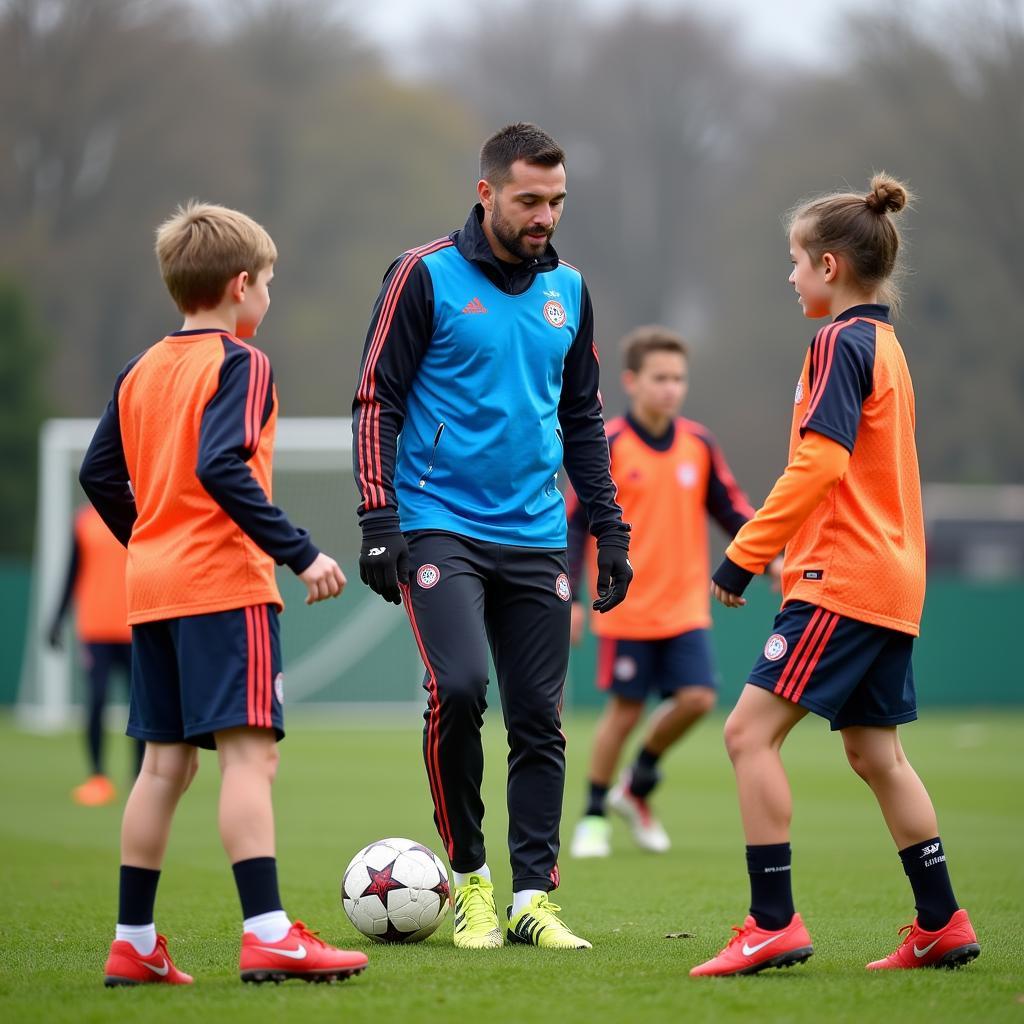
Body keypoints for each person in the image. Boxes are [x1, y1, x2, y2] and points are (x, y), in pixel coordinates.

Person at [690, 175, 979, 977]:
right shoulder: (886, 347)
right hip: (893, 581)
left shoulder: (837, 343)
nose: (788, 278)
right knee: (874, 754)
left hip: (840, 577)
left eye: (793, 262)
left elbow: (819, 462)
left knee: (747, 734)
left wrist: (747, 551)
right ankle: (941, 922)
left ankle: (771, 922)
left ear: (828, 266)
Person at [352, 123, 632, 950]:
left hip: (540, 533)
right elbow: (378, 400)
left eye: (556, 201)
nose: (546, 215)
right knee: (464, 690)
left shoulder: (571, 291)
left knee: (540, 717)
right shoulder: (423, 275)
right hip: (440, 526)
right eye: (529, 200)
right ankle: (471, 881)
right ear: (487, 193)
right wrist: (378, 520)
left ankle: (532, 899)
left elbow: (581, 414)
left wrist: (608, 526)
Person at [79, 200, 367, 987]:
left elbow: (99, 474)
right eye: (269, 283)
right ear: (242, 286)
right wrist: (300, 553)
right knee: (250, 759)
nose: (267, 298)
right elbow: (222, 464)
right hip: (222, 587)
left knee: (162, 767)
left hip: (154, 590)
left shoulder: (140, 369)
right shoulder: (243, 362)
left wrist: (152, 538)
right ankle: (269, 933)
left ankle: (133, 943)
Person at [566, 326, 775, 858]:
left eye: (678, 378)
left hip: (685, 604)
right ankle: (593, 815)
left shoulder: (698, 444)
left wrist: (766, 557)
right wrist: (568, 595)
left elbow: (731, 509)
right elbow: (574, 523)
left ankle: (636, 786)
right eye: (659, 378)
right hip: (625, 604)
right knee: (626, 711)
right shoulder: (609, 444)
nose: (670, 388)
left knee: (699, 698)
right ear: (631, 382)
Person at [48, 504, 144, 804]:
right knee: (96, 699)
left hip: (136, 626)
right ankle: (97, 776)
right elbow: (72, 573)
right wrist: (56, 619)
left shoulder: (141, 515)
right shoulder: (84, 522)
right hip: (95, 630)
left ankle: (140, 776)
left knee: (141, 706)